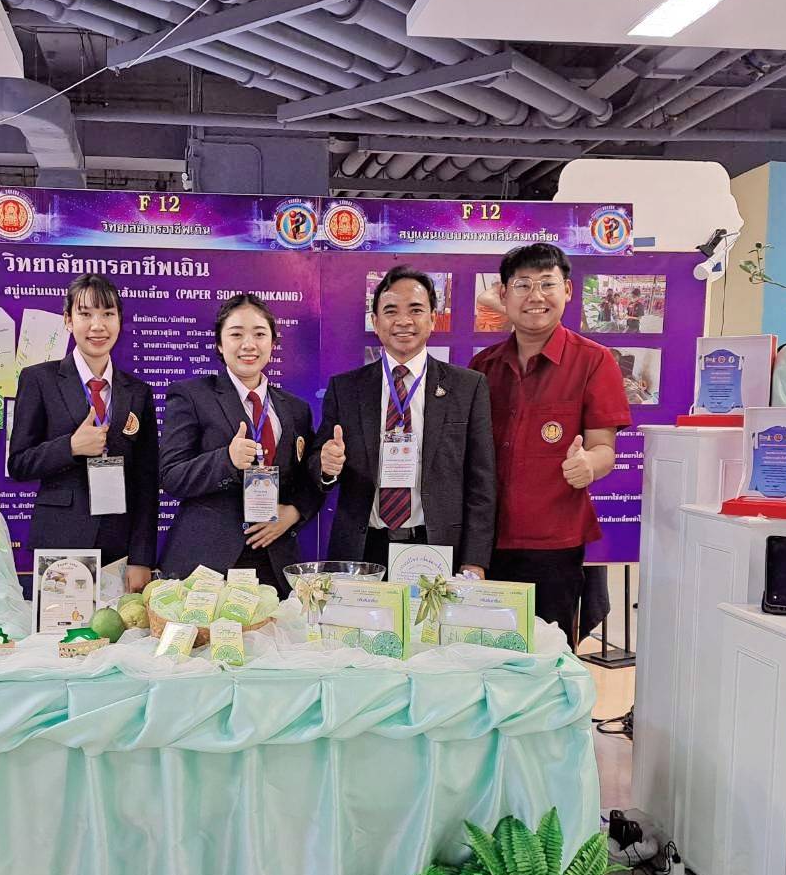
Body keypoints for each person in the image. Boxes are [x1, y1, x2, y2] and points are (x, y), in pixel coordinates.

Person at [470, 243, 632, 648]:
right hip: (483, 544)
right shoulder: (482, 367)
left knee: (548, 658)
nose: (535, 296)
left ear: (568, 291)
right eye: (522, 285)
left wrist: (589, 465)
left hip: (552, 545)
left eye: (547, 284)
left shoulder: (594, 361)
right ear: (503, 294)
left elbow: (604, 447)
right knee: (478, 653)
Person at [312, 265, 496, 574]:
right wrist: (326, 466)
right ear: (375, 322)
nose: (403, 321)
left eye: (415, 310)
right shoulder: (345, 388)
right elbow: (318, 462)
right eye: (391, 311)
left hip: (436, 545)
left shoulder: (468, 387)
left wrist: (475, 561)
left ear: (433, 319)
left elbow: (482, 482)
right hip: (363, 547)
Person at [8, 274, 159, 595]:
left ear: (119, 320)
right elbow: (18, 464)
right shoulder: (39, 380)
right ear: (68, 320)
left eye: (108, 314)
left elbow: (147, 481)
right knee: (59, 628)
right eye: (85, 314)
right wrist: (71, 447)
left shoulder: (138, 392)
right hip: (60, 539)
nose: (97, 325)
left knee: (120, 626)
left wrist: (142, 557)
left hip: (120, 543)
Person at [160, 293, 320, 594]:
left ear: (273, 343)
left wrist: (295, 511)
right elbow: (171, 476)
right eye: (236, 334)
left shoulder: (295, 409)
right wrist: (227, 460)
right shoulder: (191, 395)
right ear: (220, 344)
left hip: (275, 561)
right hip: (207, 564)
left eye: (259, 334)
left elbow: (309, 479)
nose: (249, 344)